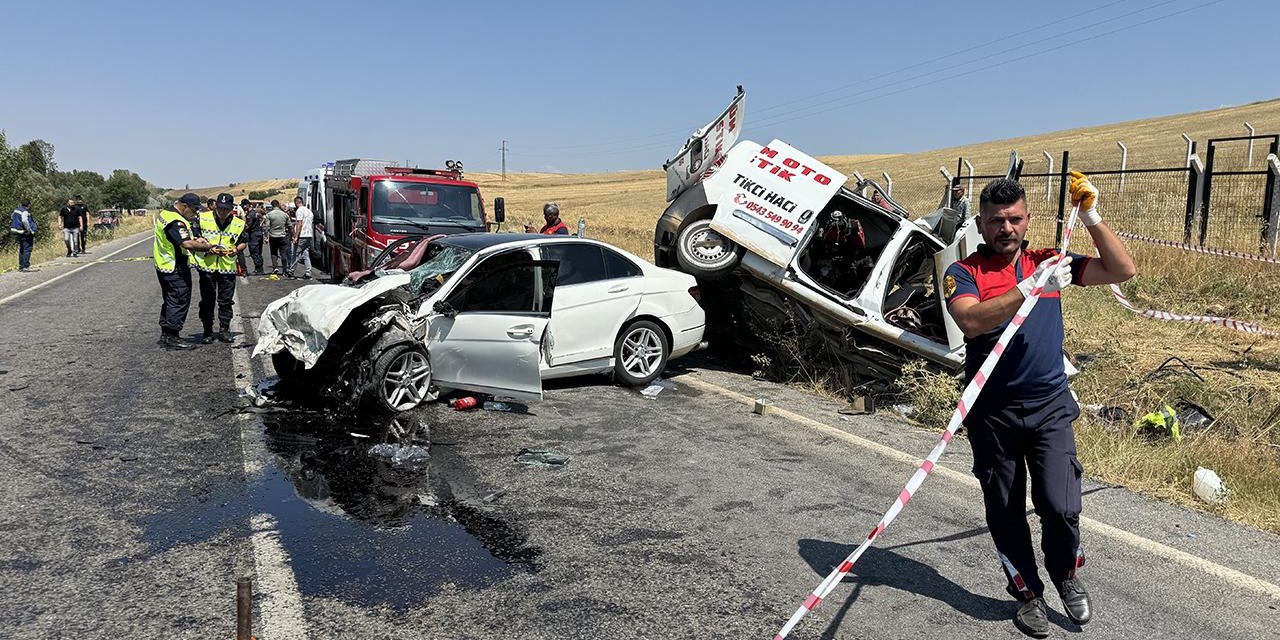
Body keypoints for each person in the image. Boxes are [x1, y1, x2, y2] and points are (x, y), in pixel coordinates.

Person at [943, 172, 1135, 638]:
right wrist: (1028, 289)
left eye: (1014, 219)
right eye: (995, 221)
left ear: (1028, 220)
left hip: (1049, 405)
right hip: (993, 411)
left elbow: (1122, 269)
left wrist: (1091, 216)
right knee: (1005, 509)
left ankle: (1066, 574)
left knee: (1060, 502)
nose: (1005, 228)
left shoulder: (1050, 260)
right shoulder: (962, 272)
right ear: (981, 224)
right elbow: (970, 320)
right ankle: (1027, 593)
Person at [153, 193, 208, 350]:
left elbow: (177, 239)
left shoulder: (166, 214)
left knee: (170, 299)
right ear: (184, 206)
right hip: (174, 266)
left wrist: (195, 239)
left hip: (164, 264)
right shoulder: (175, 220)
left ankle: (166, 334)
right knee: (179, 299)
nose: (196, 213)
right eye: (194, 209)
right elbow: (186, 244)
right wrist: (206, 247)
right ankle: (172, 337)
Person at [191, 192, 247, 343]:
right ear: (215, 206)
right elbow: (194, 236)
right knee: (207, 301)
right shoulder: (202, 218)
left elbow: (243, 242)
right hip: (207, 267)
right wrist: (203, 243)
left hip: (227, 268)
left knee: (226, 301)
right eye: (220, 208)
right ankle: (207, 331)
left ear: (231, 208)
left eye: (226, 209)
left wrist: (235, 250)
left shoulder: (239, 223)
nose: (222, 211)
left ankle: (224, 330)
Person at [287, 196, 314, 279]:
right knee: (306, 254)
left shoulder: (299, 211)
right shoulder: (309, 211)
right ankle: (308, 272)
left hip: (302, 235)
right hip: (309, 235)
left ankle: (291, 271)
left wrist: (296, 236)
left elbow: (299, 224)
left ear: (296, 203)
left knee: (296, 253)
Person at [9, 199, 38, 272]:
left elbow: (12, 217)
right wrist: (29, 230)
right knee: (27, 249)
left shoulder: (16, 210)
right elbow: (25, 221)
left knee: (22, 249)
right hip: (25, 232)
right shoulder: (25, 211)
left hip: (18, 232)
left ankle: (21, 266)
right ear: (29, 205)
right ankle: (25, 266)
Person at [265, 200, 290, 275]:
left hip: (273, 236)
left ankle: (275, 267)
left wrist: (266, 237)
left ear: (272, 205)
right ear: (278, 205)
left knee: (273, 252)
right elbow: (289, 225)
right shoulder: (284, 214)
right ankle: (285, 269)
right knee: (283, 253)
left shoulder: (269, 215)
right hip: (282, 236)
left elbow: (267, 227)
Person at [242, 200, 265, 274]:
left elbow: (248, 226)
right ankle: (260, 268)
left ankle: (259, 269)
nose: (243, 207)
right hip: (258, 234)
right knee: (258, 252)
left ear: (248, 205)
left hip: (253, 235)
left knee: (254, 252)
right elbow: (263, 218)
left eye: (244, 205)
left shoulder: (250, 215)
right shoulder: (255, 213)